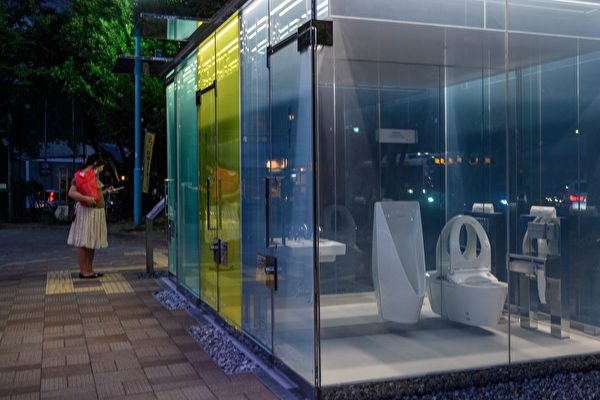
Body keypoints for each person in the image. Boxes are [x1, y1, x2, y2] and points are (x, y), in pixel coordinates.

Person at [67, 153, 116, 278]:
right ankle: (84, 271)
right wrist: (86, 199)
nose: (102, 169)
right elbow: (71, 193)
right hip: (86, 212)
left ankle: (89, 270)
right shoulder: (82, 175)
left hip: (95, 212)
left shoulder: (92, 176)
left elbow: (95, 195)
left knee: (91, 242)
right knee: (84, 242)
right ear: (95, 164)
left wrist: (106, 191)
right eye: (102, 166)